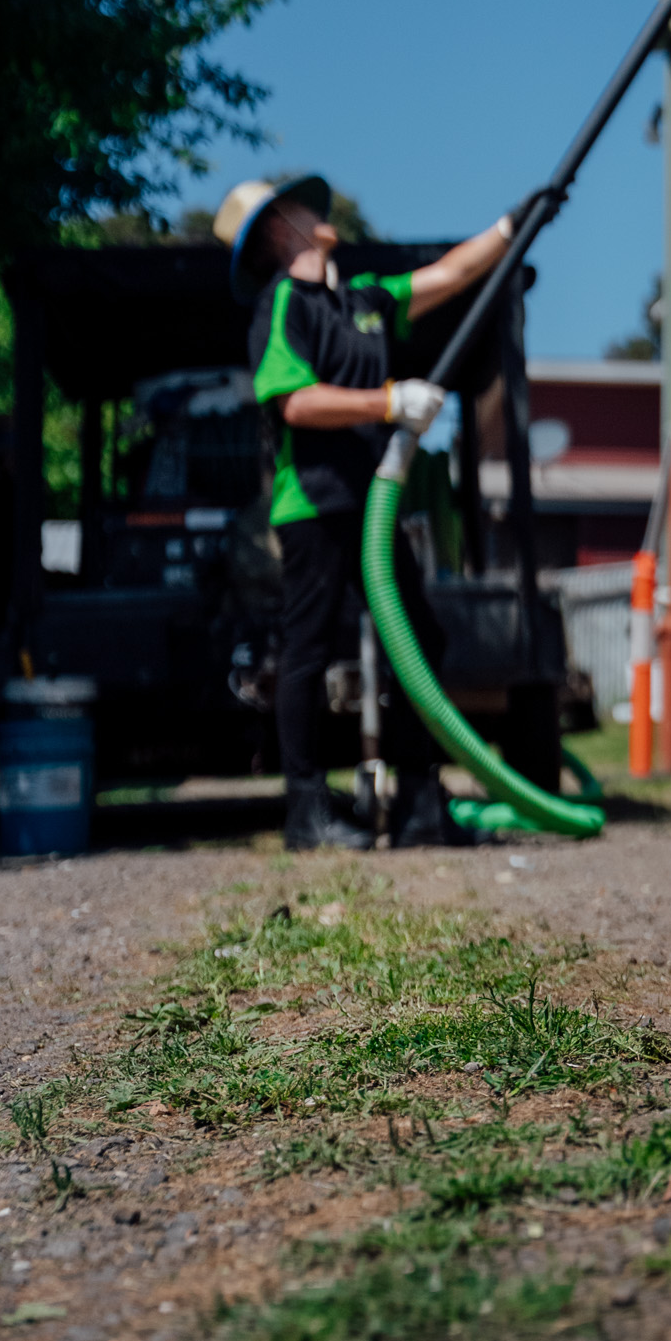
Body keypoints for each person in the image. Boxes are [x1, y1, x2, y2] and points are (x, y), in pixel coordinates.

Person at [213, 174, 537, 850]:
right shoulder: (284, 306)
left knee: (416, 638)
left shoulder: (360, 300)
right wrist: (387, 403)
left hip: (374, 500)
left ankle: (420, 800)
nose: (321, 213)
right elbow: (293, 401)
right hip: (316, 502)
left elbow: (446, 276)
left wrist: (511, 225)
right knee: (308, 650)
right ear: (280, 229)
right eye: (304, 208)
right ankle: (307, 811)